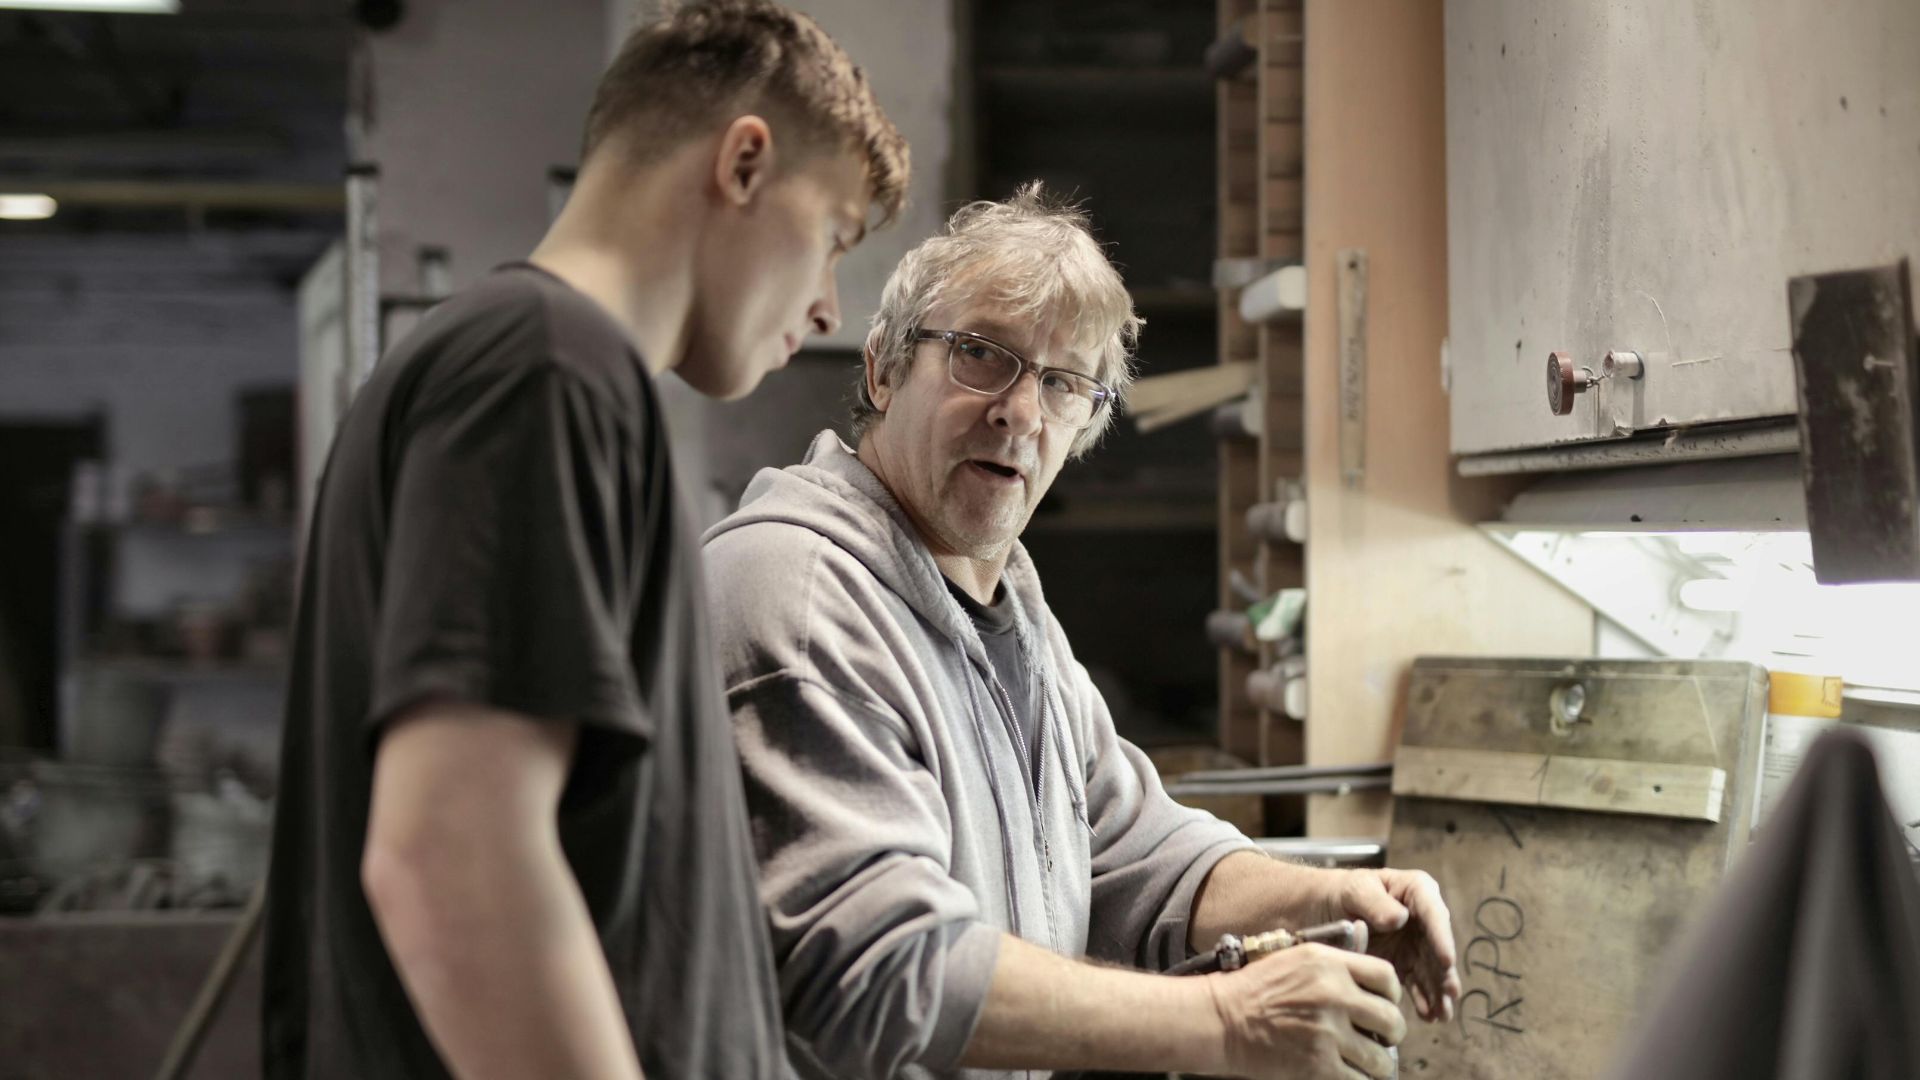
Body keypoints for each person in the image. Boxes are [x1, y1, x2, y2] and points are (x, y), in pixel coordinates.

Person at [262, 3, 907, 1077]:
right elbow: (450, 861)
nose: (831, 308)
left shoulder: (528, 369)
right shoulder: (543, 370)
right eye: (834, 237)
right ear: (744, 163)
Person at [704, 184, 1462, 1080]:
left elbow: (1131, 849)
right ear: (882, 369)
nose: (1021, 413)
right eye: (982, 355)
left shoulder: (1007, 609)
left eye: (1063, 384)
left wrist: (1331, 896)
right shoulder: (797, 600)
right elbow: (880, 968)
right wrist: (1229, 1019)